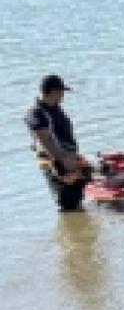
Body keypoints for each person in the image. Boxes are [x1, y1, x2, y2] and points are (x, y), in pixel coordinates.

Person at [24, 74, 89, 211]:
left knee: (78, 196)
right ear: (54, 92)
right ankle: (70, 226)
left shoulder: (55, 108)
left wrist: (75, 158)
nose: (63, 96)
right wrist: (63, 159)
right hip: (56, 163)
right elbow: (44, 139)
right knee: (67, 202)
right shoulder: (36, 113)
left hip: (69, 158)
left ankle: (77, 225)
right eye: (61, 92)